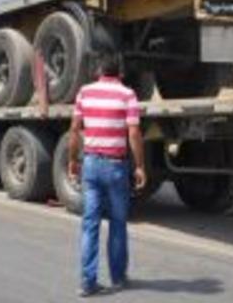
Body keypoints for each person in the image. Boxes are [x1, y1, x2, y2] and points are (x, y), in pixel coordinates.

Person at [68, 53, 146, 297]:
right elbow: (133, 133)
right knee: (118, 223)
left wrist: (72, 160)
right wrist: (140, 166)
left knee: (90, 224)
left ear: (99, 71)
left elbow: (74, 129)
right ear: (119, 72)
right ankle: (118, 277)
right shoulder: (127, 94)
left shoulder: (84, 92)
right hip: (115, 167)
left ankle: (87, 282)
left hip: (90, 163)